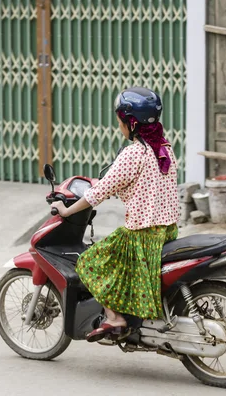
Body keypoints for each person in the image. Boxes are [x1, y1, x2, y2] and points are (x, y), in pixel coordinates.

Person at [51, 87, 181, 342]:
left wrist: (66, 209)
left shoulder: (134, 153)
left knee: (89, 263)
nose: (119, 126)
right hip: (167, 231)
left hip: (141, 236)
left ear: (132, 123)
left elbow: (96, 194)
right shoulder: (164, 147)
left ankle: (114, 319)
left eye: (121, 121)